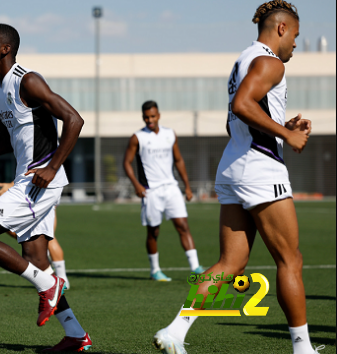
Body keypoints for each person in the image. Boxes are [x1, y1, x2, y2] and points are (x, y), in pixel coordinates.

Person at [153, 2, 324, 354]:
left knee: (231, 264)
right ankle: (303, 349)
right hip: (260, 169)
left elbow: (240, 115)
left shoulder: (243, 59)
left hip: (236, 165)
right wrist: (287, 136)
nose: (294, 43)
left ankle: (175, 331)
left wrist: (282, 128)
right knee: (290, 260)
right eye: (294, 35)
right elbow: (243, 106)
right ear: (281, 28)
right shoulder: (270, 62)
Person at [0, 24, 91, 352]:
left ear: (5, 49)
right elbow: (3, 142)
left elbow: (74, 119)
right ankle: (75, 335)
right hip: (31, 180)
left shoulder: (28, 80)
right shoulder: (1, 89)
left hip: (40, 182)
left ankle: (49, 286)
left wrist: (52, 167)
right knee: (35, 259)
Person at [123, 101, 205, 282]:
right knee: (154, 232)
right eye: (146, 117)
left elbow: (179, 160)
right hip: (151, 192)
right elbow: (126, 162)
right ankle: (155, 270)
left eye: (152, 116)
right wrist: (136, 185)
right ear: (143, 117)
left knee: (183, 225)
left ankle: (196, 268)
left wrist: (187, 186)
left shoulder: (170, 134)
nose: (149, 120)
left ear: (158, 115)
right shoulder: (138, 137)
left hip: (171, 188)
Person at [0, 181, 70, 288]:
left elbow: (35, 169)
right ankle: (46, 258)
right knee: (33, 235)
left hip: (41, 194)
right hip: (42, 192)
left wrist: (11, 185)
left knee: (48, 237)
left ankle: (62, 279)